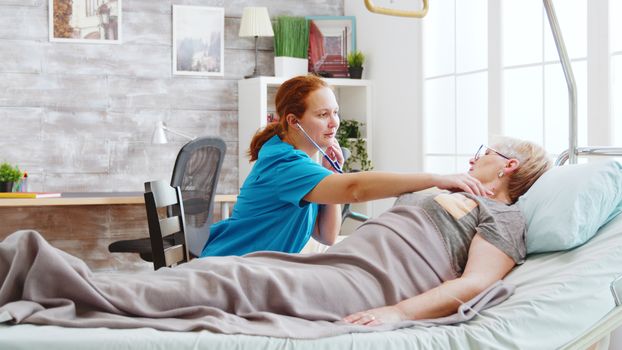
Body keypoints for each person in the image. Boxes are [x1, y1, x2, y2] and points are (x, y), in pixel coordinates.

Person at [0, 137, 551, 336]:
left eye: (489, 148)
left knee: (226, 283)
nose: (476, 153)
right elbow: (336, 235)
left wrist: (400, 314)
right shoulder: (435, 193)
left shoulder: (503, 219)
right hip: (335, 266)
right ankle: (38, 273)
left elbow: (477, 282)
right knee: (217, 273)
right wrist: (334, 191)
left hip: (366, 288)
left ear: (508, 167)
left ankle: (35, 269)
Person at [202, 75, 491, 257]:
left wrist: (330, 172)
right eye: (322, 114)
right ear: (293, 121)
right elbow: (355, 190)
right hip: (230, 264)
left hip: (252, 266)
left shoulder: (301, 162)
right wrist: (435, 178)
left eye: (336, 112)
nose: (334, 123)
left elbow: (326, 235)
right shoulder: (284, 164)